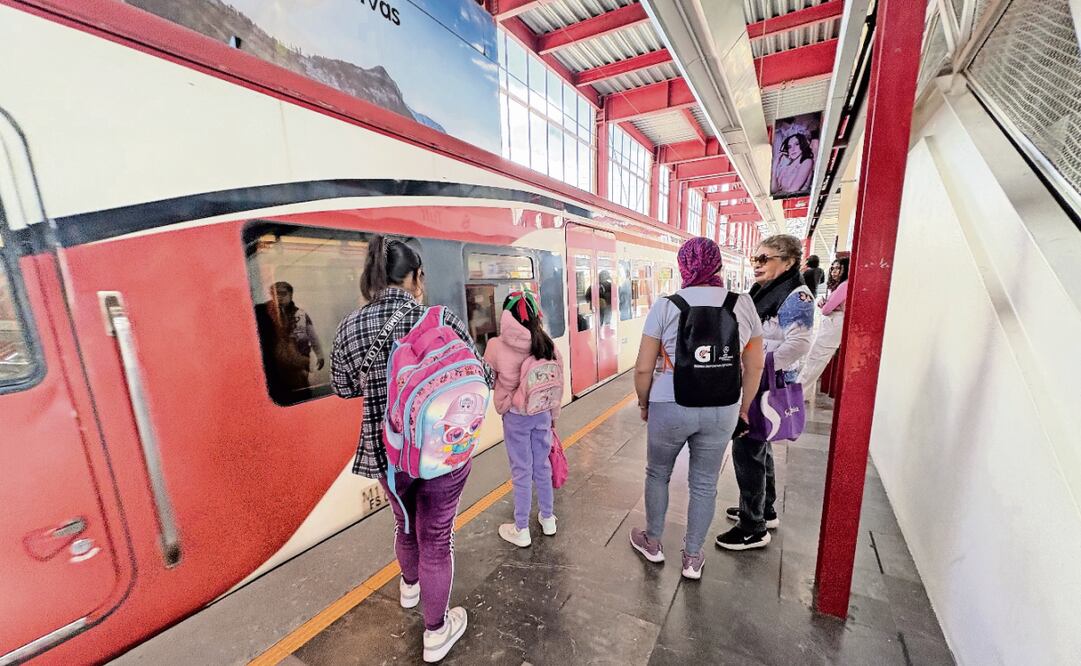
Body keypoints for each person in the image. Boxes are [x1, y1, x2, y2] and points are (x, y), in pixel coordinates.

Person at [331, 236, 494, 664]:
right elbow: (482, 379)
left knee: (405, 526)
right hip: (442, 453)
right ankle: (437, 632)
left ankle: (410, 587)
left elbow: (343, 387)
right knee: (436, 539)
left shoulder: (350, 326)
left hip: (388, 454)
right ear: (417, 277)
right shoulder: (440, 319)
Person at [628, 237, 765, 579]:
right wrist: (743, 408)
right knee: (704, 483)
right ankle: (692, 558)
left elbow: (644, 367)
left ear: (683, 266)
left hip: (670, 403)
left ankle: (653, 542)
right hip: (723, 405)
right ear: (718, 265)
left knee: (658, 473)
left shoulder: (666, 305)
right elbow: (755, 366)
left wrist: (645, 403)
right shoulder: (743, 303)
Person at [716, 234, 813, 551]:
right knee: (760, 446)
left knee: (747, 450)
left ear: (788, 262)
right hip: (760, 377)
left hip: (765, 380)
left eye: (764, 258)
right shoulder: (767, 291)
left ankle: (752, 527)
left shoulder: (795, 297)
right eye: (755, 258)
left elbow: (799, 344)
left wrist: (758, 364)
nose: (756, 264)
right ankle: (764, 510)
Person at [483, 290, 562, 548]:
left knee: (521, 471)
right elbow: (556, 384)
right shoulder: (546, 343)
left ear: (507, 316)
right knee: (542, 466)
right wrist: (553, 417)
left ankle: (521, 528)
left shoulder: (495, 346)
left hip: (516, 418)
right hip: (541, 415)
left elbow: (487, 377)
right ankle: (548, 518)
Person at [254, 281, 324, 403]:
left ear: (291, 294)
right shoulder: (262, 313)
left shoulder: (300, 314)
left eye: (283, 293)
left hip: (301, 359)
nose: (279, 297)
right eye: (275, 294)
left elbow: (312, 336)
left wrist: (319, 355)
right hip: (279, 366)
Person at [798, 257, 849, 397]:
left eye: (839, 268)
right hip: (835, 323)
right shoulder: (844, 284)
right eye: (833, 268)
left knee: (816, 358)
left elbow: (826, 310)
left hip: (833, 324)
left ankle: (797, 394)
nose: (834, 271)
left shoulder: (844, 285)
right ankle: (802, 392)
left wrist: (826, 305)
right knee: (817, 359)